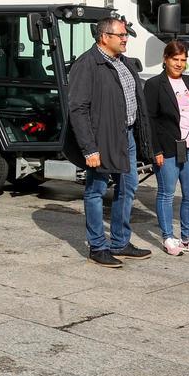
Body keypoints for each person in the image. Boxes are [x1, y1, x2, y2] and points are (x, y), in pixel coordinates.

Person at [64, 16, 154, 268]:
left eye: (125, 35)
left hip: (125, 136)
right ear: (104, 37)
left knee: (128, 188)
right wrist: (89, 148)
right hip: (101, 139)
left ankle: (120, 242)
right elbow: (78, 109)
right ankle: (97, 246)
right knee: (96, 190)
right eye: (121, 35)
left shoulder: (123, 62)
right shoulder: (88, 64)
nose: (126, 39)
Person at [144, 41, 189, 256]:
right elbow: (150, 121)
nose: (179, 64)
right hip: (167, 148)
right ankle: (167, 237)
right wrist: (156, 150)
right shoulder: (155, 84)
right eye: (175, 59)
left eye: (183, 60)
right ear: (165, 59)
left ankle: (188, 237)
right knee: (166, 193)